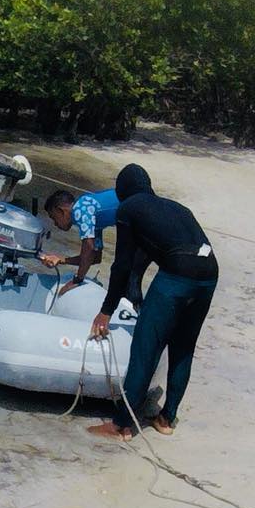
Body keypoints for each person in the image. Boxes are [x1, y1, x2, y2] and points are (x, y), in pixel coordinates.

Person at [88, 164, 218, 439]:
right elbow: (143, 260)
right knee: (183, 347)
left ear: (122, 190)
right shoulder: (176, 208)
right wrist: (135, 292)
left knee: (146, 348)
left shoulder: (128, 209)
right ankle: (167, 419)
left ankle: (121, 424)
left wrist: (106, 311)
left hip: (177, 275)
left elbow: (122, 265)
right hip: (209, 274)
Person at [39, 186, 120, 294]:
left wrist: (77, 280)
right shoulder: (90, 215)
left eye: (54, 218)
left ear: (61, 211)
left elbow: (90, 248)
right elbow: (95, 258)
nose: (55, 224)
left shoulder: (80, 211)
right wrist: (60, 259)